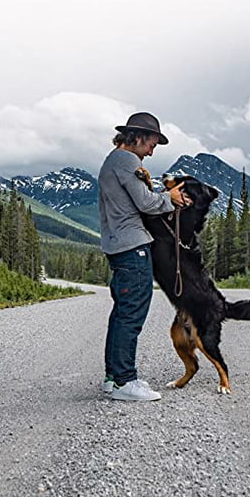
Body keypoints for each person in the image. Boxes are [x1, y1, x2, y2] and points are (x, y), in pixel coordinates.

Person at [97, 111, 189, 401]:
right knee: (132, 314)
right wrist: (170, 199)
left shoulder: (112, 161)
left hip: (118, 245)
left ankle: (114, 378)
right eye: (151, 143)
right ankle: (125, 382)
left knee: (122, 313)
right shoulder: (127, 160)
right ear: (136, 137)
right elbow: (146, 203)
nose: (151, 151)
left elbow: (134, 199)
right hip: (132, 246)